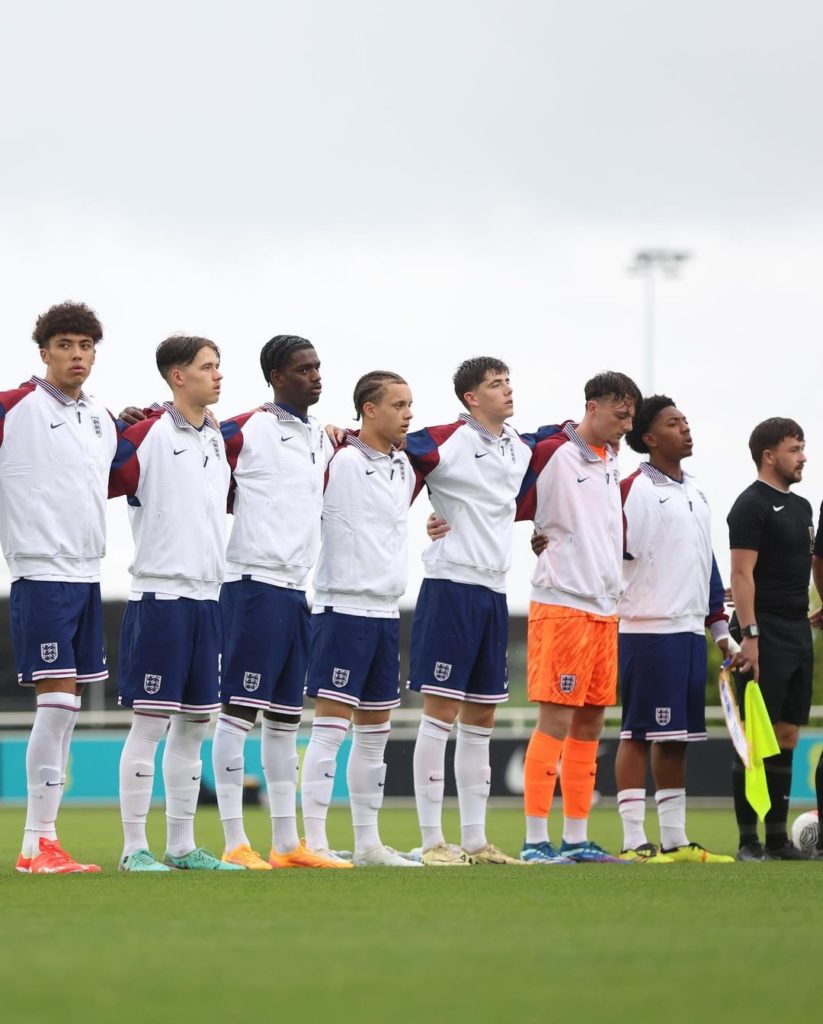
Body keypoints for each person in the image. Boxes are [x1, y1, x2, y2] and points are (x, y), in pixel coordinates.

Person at [110, 335, 242, 872]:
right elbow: (87, 472)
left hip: (209, 600)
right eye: (207, 367)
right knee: (150, 725)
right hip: (161, 598)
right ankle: (132, 848)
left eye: (219, 366)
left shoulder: (218, 437)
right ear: (176, 376)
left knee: (194, 728)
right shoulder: (144, 435)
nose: (218, 375)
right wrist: (117, 427)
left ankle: (182, 846)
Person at [214, 336, 344, 870]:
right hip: (252, 585)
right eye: (302, 369)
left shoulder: (323, 438)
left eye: (317, 367)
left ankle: (288, 845)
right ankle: (233, 841)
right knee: (237, 715)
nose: (315, 376)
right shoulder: (245, 429)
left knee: (287, 721)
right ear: (275, 375)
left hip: (296, 591)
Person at [404, 357, 539, 866]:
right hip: (449, 588)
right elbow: (388, 456)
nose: (507, 390)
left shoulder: (520, 448)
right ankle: (432, 841)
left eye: (509, 381)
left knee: (482, 718)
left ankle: (476, 841)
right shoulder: (445, 439)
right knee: (440, 715)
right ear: (470, 398)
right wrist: (427, 514)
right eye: (495, 384)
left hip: (493, 592)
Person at [3, 302, 115, 874]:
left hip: (86, 573)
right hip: (41, 572)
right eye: (66, 345)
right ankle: (36, 844)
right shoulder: (14, 406)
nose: (77, 355)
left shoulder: (101, 417)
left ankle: (46, 841)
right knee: (56, 706)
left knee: (67, 708)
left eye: (86, 346)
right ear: (43, 351)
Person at [517, 371, 641, 864]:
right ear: (592, 406)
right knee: (556, 719)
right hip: (562, 602)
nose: (626, 425)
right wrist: (444, 518)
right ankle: (533, 840)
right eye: (620, 414)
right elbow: (489, 482)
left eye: (631, 416)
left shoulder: (611, 460)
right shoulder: (551, 450)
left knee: (590, 723)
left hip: (604, 609)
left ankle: (575, 837)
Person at [301, 371, 420, 868]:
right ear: (369, 409)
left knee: (376, 733)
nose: (409, 413)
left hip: (385, 612)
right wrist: (330, 435)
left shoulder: (405, 469)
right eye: (398, 404)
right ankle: (313, 842)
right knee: (330, 729)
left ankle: (369, 844)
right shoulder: (338, 459)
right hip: (342, 609)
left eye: (410, 404)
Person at [615, 395, 736, 863]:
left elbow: (706, 566)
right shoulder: (632, 488)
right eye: (673, 423)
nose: (685, 428)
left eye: (685, 421)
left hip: (688, 631)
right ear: (649, 438)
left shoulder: (698, 492)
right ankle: (631, 841)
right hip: (648, 628)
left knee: (677, 738)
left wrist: (721, 632)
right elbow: (609, 551)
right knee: (638, 734)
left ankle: (674, 840)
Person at [728, 417, 814, 861]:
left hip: (799, 629)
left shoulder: (802, 508)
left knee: (787, 734)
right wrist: (751, 636)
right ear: (769, 455)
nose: (802, 457)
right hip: (764, 630)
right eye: (794, 449)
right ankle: (748, 840)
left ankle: (778, 839)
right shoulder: (750, 505)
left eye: (802, 448)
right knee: (752, 737)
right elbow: (741, 574)